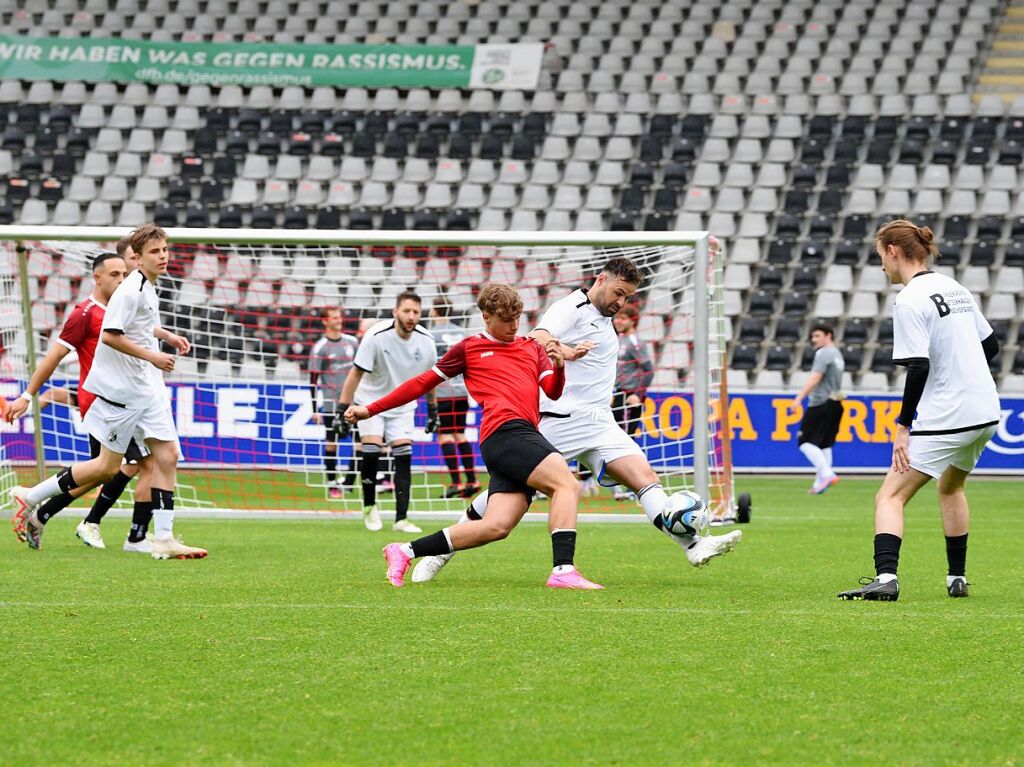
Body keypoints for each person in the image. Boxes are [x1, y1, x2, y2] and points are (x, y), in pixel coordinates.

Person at [413, 257, 742, 584]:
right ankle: (440, 552)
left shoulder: (604, 317)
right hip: (561, 420)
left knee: (645, 479)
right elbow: (537, 337)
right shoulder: (572, 306)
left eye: (627, 296)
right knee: (508, 497)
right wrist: (566, 352)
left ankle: (694, 546)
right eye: (617, 292)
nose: (620, 302)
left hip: (600, 423)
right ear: (600, 280)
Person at [345, 283, 602, 590]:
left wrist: (559, 366)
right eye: (506, 319)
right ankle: (563, 569)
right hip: (504, 432)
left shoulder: (532, 348)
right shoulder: (469, 348)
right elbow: (420, 384)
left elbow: (553, 392)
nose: (514, 325)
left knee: (497, 526)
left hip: (521, 434)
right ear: (486, 316)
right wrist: (369, 410)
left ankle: (404, 550)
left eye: (517, 318)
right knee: (566, 484)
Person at [10, 224, 206, 559]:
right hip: (115, 396)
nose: (162, 256)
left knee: (163, 456)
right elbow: (103, 339)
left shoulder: (143, 288)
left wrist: (167, 337)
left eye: (164, 250)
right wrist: (28, 395)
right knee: (106, 467)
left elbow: (140, 326)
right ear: (136, 259)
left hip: (142, 390)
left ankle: (162, 538)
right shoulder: (114, 298)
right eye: (153, 252)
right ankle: (36, 500)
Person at [839, 220, 1001, 601]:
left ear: (893, 251)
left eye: (881, 256)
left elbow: (918, 366)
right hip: (986, 410)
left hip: (949, 414)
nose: (882, 266)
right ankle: (956, 578)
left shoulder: (910, 299)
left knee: (890, 496)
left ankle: (886, 578)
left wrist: (902, 427)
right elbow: (990, 346)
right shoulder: (954, 287)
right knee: (951, 486)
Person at [6, 240, 154, 552]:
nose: (121, 279)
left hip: (122, 397)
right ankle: (116, 531)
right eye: (114, 273)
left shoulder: (120, 308)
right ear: (97, 277)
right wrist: (28, 396)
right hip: (104, 402)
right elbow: (53, 357)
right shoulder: (85, 314)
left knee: (106, 469)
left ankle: (43, 513)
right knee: (138, 463)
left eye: (125, 274)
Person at [339, 290, 437, 533]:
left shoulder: (426, 341)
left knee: (403, 454)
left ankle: (401, 519)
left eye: (416, 311)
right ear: (395, 312)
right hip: (370, 401)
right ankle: (369, 506)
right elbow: (356, 373)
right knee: (371, 450)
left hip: (402, 405)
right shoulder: (375, 336)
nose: (411, 316)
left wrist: (433, 410)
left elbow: (431, 379)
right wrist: (342, 408)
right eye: (406, 311)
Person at [428, 296, 478, 499]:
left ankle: (456, 483)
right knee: (460, 435)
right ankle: (472, 480)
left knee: (445, 436)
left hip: (442, 392)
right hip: (460, 392)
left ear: (434, 310)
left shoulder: (431, 335)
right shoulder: (461, 332)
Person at [308, 306, 359, 500]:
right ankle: (332, 485)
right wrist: (315, 409)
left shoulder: (352, 342)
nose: (339, 320)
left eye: (339, 317)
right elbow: (312, 381)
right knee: (332, 443)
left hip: (354, 403)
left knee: (360, 444)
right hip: (331, 404)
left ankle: (348, 482)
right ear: (325, 321)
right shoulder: (320, 347)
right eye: (334, 318)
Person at [789, 323, 845, 495]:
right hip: (836, 403)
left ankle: (827, 474)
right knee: (824, 444)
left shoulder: (824, 353)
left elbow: (815, 378)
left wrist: (799, 398)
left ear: (828, 336)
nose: (814, 340)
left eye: (817, 336)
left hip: (821, 403)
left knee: (805, 442)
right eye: (812, 337)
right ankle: (819, 484)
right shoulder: (837, 354)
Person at [610, 304, 655, 501]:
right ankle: (621, 486)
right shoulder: (620, 339)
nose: (618, 321)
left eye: (622, 318)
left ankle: (636, 485)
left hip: (630, 396)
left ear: (632, 320)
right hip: (618, 394)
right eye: (616, 318)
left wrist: (637, 393)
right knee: (614, 438)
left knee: (626, 440)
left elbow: (648, 370)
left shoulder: (636, 341)